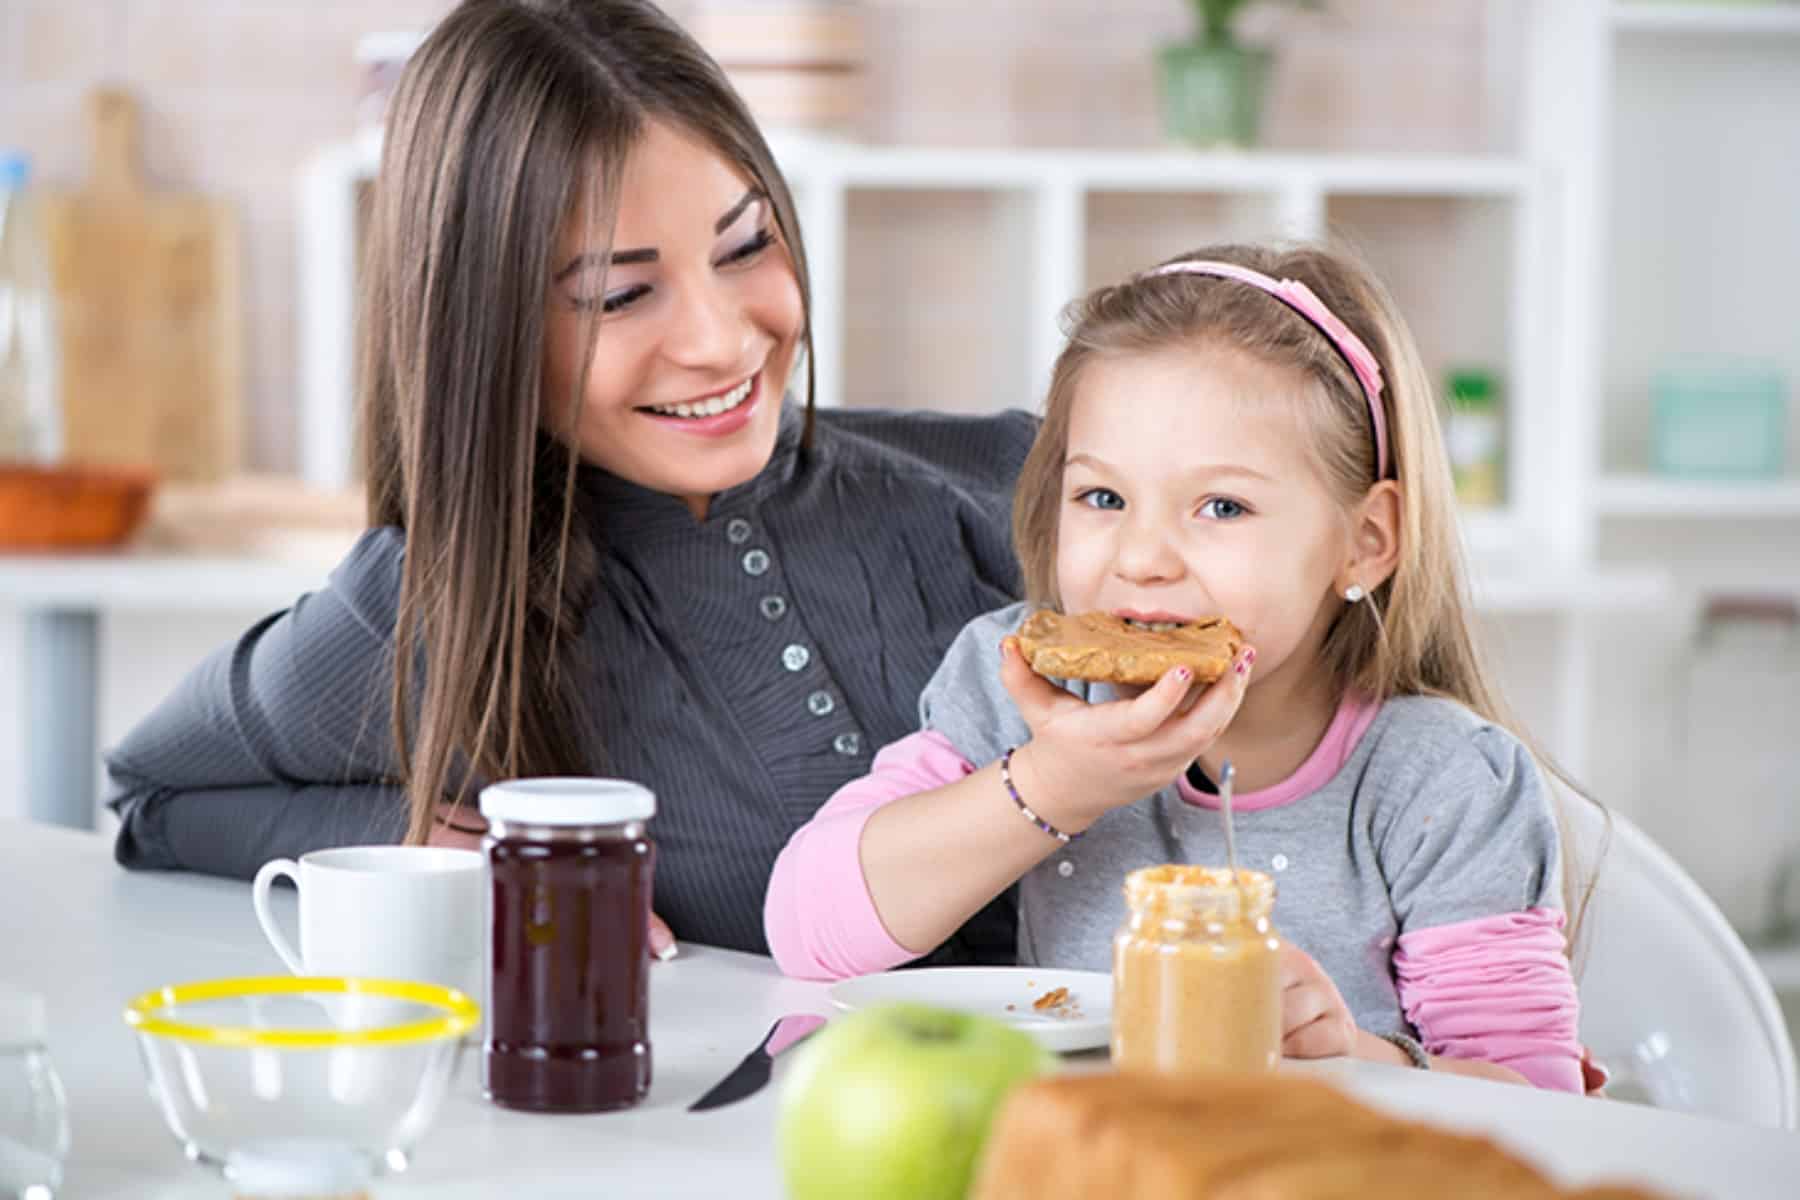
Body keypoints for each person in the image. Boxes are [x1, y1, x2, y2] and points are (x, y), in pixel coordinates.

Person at [104, 0, 1033, 966]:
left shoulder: (1025, 485)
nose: (721, 340)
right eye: (620, 296)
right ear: (485, 335)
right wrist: (414, 840)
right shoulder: (440, 608)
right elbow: (157, 798)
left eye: (746, 243)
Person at [764, 242, 1595, 1091]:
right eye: (1103, 498)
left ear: (1365, 541)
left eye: (1221, 506)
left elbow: (1542, 1105)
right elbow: (809, 929)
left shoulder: (1443, 783)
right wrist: (1055, 784)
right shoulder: (1019, 685)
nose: (1143, 556)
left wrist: (1358, 1054)